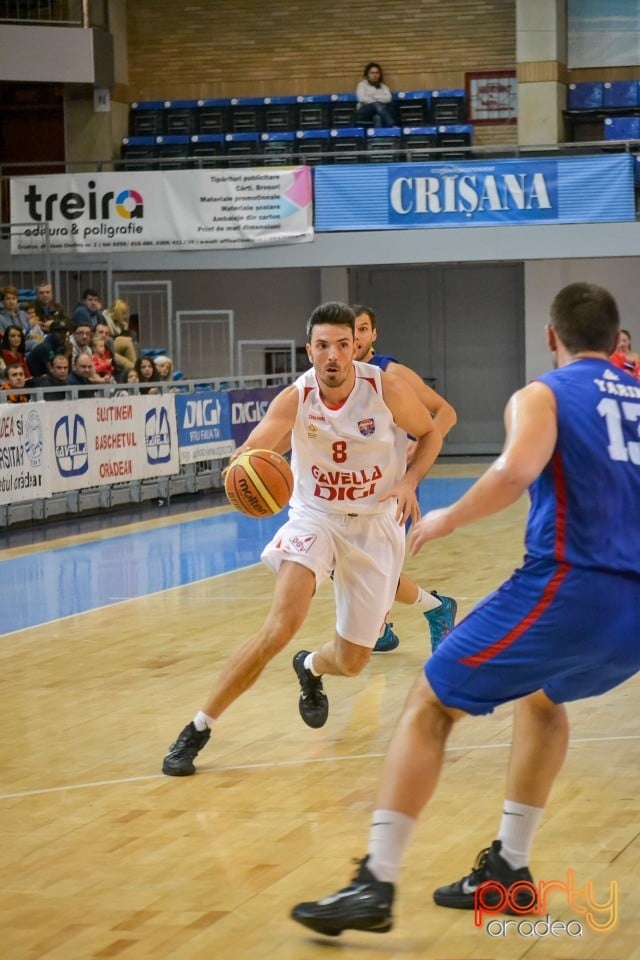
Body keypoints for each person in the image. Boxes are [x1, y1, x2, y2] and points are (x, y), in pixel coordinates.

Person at [290, 282, 640, 936]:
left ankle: (376, 882)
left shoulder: (544, 392)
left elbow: (513, 472)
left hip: (572, 584)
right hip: (636, 611)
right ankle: (509, 868)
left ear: (550, 335)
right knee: (540, 698)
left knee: (429, 700)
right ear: (615, 336)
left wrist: (448, 515)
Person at [162, 301, 442, 777]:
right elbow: (254, 449)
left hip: (376, 525)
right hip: (315, 517)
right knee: (279, 625)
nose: (332, 354)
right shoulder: (296, 398)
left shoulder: (385, 388)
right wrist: (242, 467)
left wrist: (410, 481)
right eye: (321, 345)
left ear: (357, 347)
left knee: (353, 662)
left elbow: (430, 432)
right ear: (308, 350)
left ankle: (311, 667)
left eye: (341, 344)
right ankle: (198, 727)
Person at [352, 304, 458, 653]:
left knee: (372, 572)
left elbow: (446, 411)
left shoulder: (392, 374)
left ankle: (433, 609)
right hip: (348, 492)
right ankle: (386, 621)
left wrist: (420, 445)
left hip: (392, 492)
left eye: (363, 329)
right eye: (350, 330)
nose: (356, 337)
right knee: (345, 567)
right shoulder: (332, 377)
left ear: (373, 334)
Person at [356, 62, 396, 128]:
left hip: (380, 113)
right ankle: (391, 124)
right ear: (367, 74)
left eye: (377, 73)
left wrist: (374, 97)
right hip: (363, 113)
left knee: (377, 117)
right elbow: (361, 98)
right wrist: (377, 101)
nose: (374, 75)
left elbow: (388, 98)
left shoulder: (384, 87)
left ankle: (378, 138)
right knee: (376, 104)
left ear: (380, 75)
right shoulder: (362, 85)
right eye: (372, 73)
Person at [102, 299, 138, 369]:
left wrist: (125, 328)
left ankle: (137, 368)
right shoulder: (105, 320)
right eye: (123, 313)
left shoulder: (119, 324)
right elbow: (112, 338)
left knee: (134, 344)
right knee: (128, 343)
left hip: (115, 346)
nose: (125, 317)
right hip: (106, 346)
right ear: (117, 312)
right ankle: (137, 370)